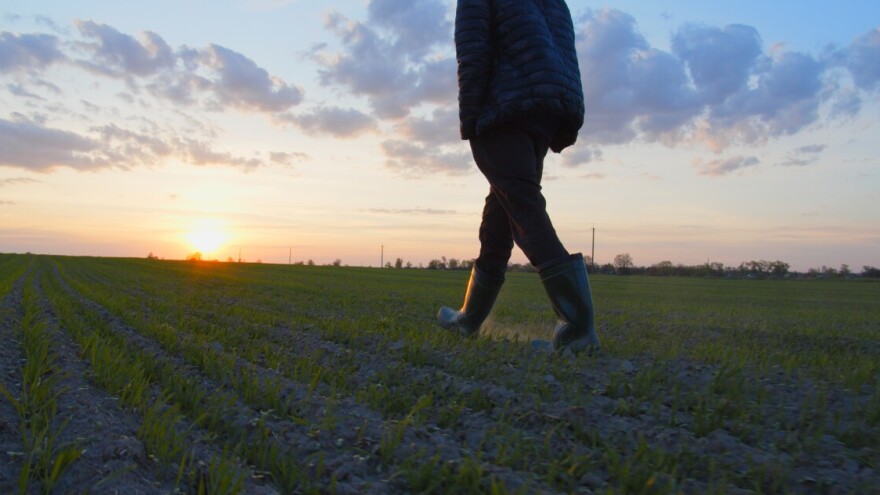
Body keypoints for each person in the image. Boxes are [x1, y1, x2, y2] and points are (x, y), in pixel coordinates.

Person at [437, 0, 599, 354]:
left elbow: (473, 52)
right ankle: (469, 318)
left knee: (523, 208)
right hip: (544, 108)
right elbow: (564, 49)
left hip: (505, 108)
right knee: (501, 215)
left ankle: (578, 329)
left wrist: (472, 123)